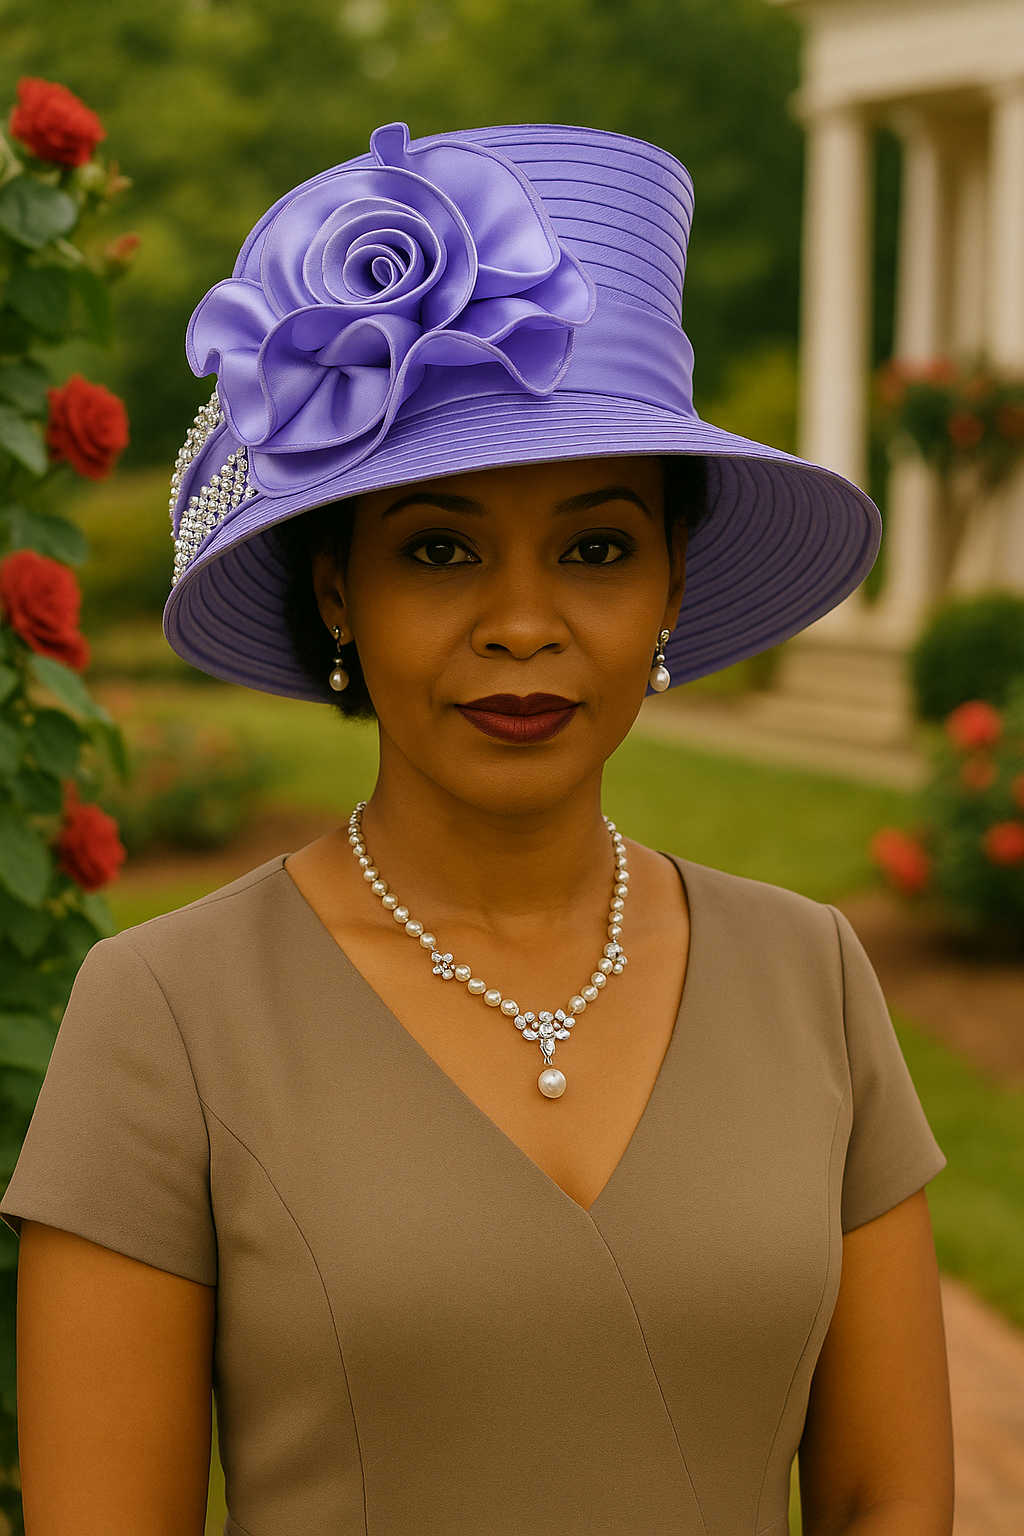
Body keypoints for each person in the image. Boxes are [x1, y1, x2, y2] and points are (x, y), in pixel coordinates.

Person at [3, 123, 953, 1536]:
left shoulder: (810, 978)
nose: (522, 624)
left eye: (597, 547)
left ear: (673, 581)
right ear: (338, 589)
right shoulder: (166, 1017)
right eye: (440, 549)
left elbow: (892, 1496)